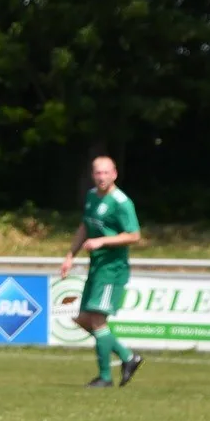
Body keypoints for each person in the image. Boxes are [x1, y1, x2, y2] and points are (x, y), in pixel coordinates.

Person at [59, 156, 144, 387]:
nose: (102, 177)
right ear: (92, 175)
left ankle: (105, 377)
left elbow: (134, 235)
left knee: (97, 319)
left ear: (114, 174)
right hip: (96, 267)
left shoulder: (121, 202)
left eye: (106, 173)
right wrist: (70, 255)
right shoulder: (91, 197)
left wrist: (102, 241)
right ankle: (127, 356)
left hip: (112, 269)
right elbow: (85, 226)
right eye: (98, 173)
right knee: (83, 319)